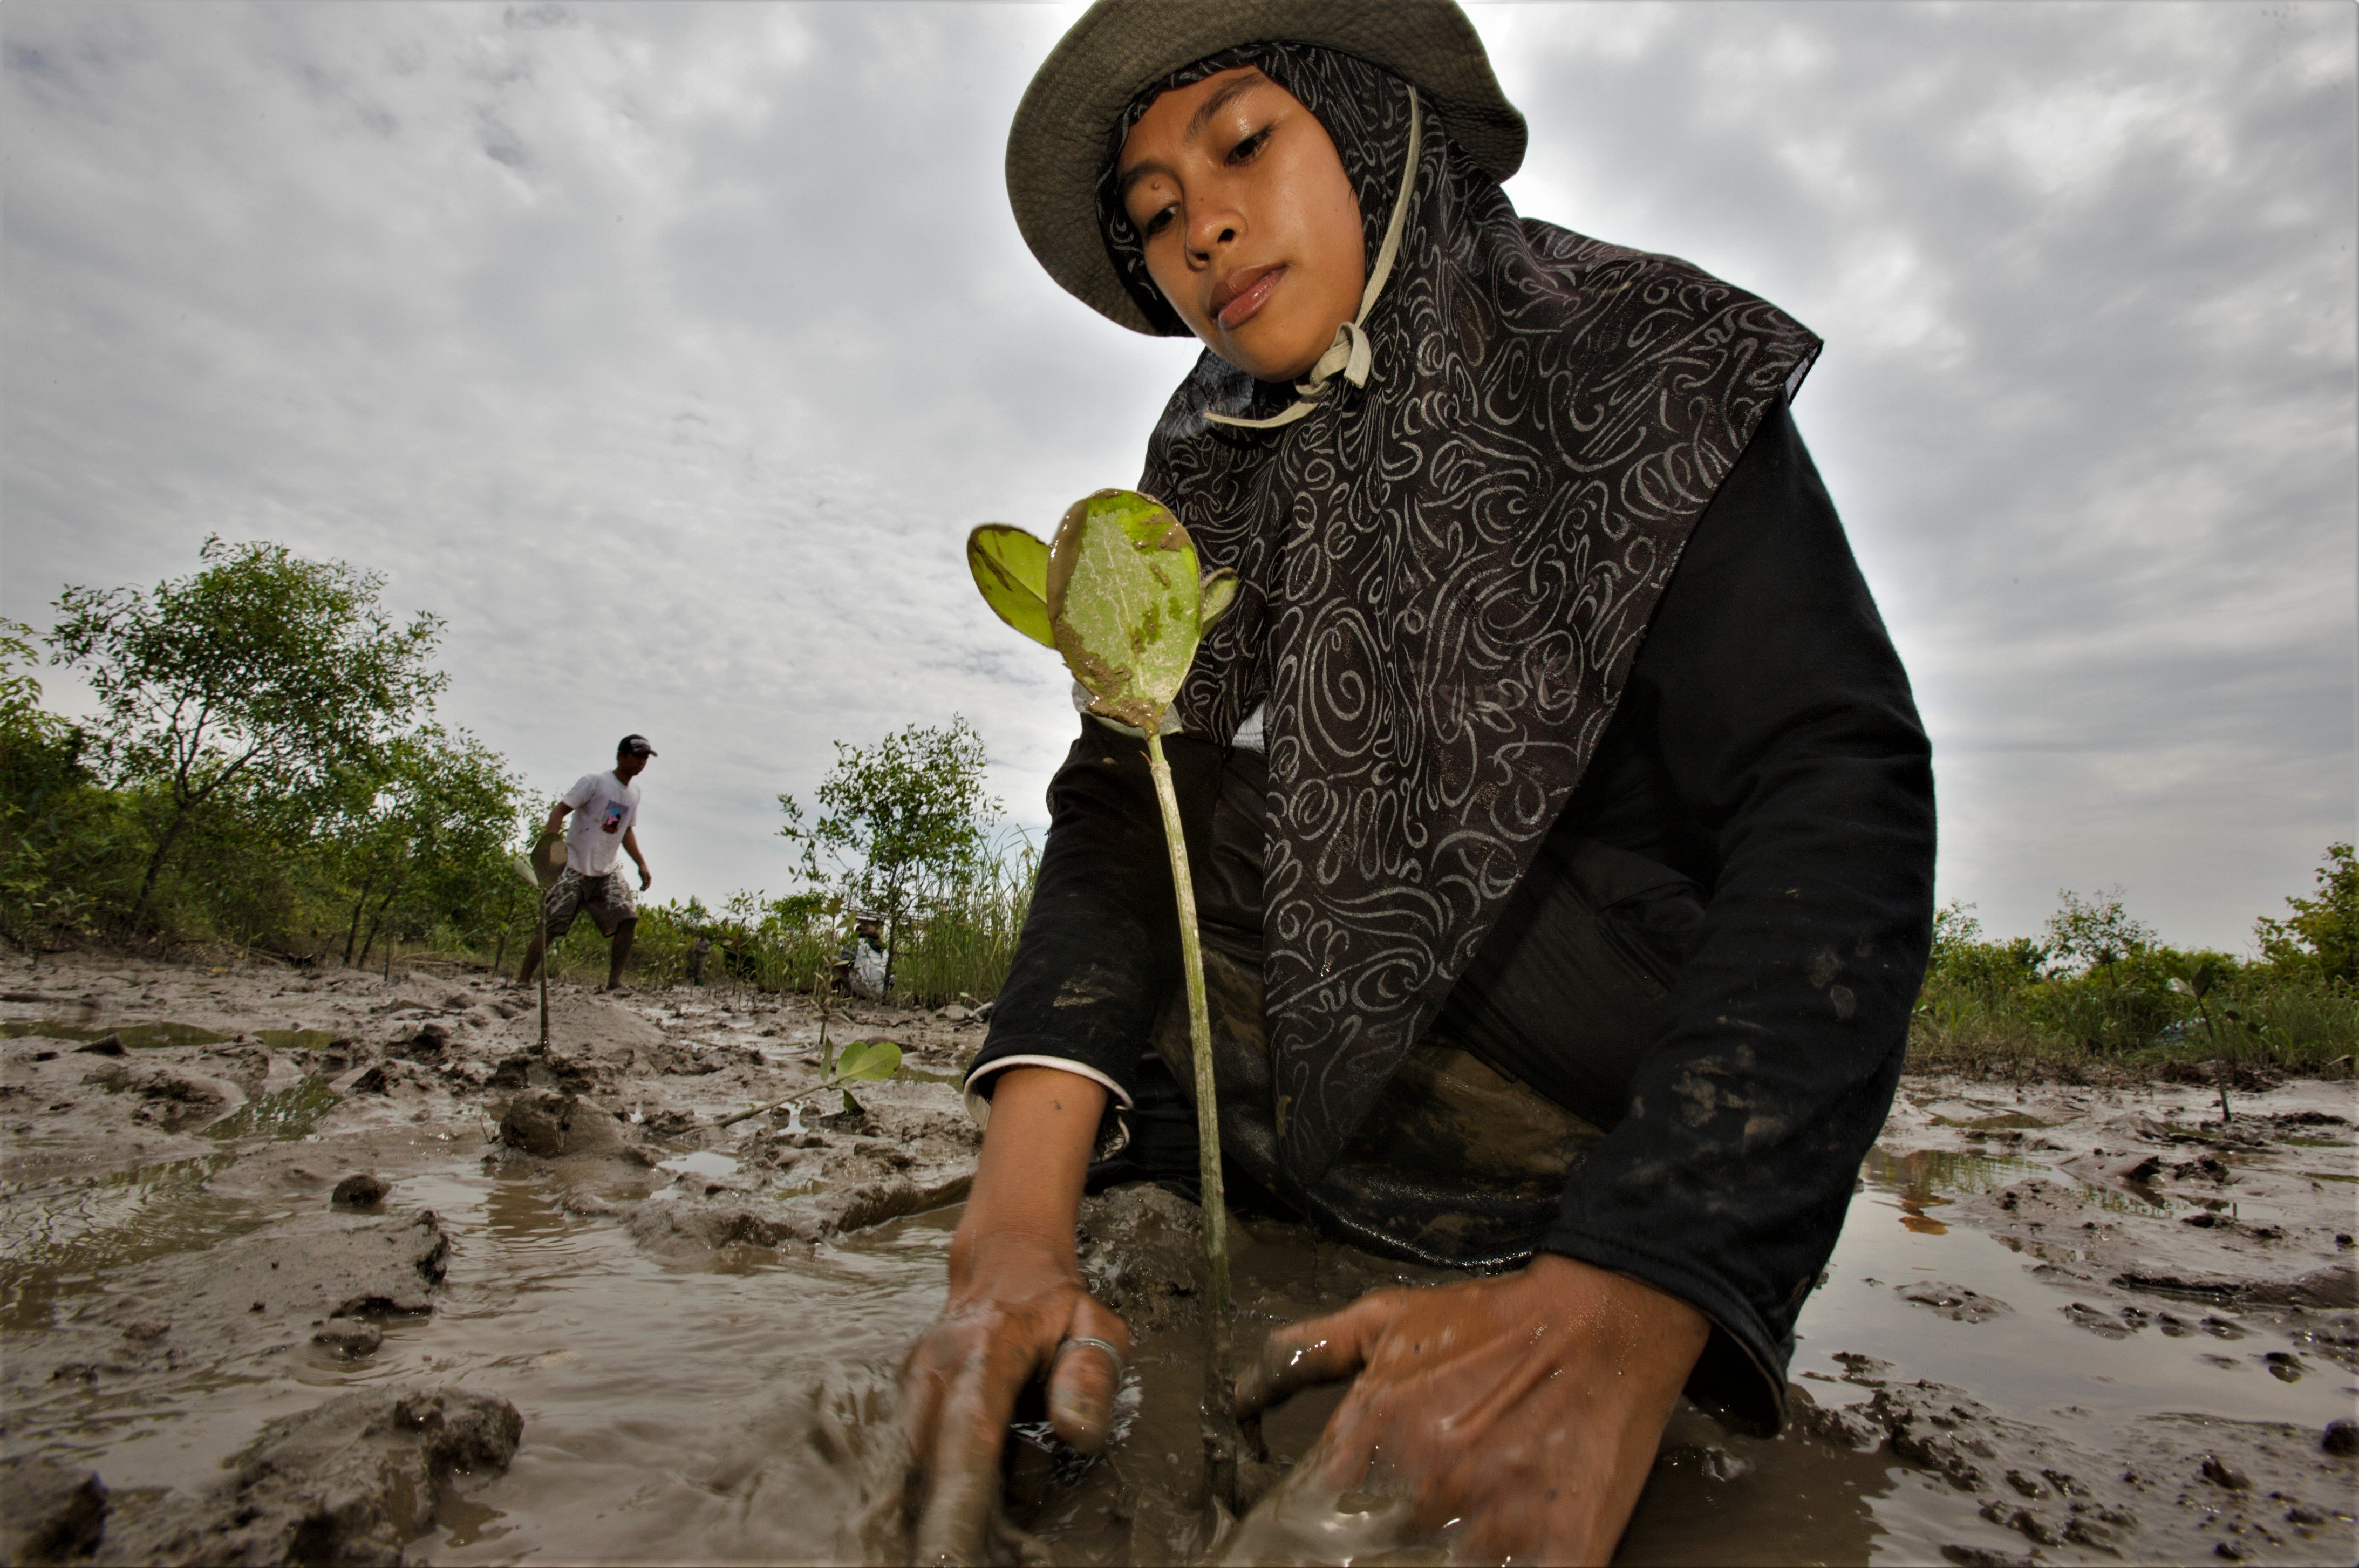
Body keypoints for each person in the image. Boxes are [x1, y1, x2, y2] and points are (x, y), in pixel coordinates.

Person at [897, 4, 1936, 1563]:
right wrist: (1010, 1240)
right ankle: (1255, 1202)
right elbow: (1124, 814)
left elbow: (1836, 782)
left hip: (1620, 1047)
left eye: (1241, 143)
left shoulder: (1628, 344)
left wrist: (1641, 1288)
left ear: (1372, 124)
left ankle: (1571, 1255)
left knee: (1244, 803)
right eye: (1156, 215)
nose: (1204, 230)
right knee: (1160, 825)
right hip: (1361, 1024)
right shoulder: (1211, 455)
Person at [517, 734, 657, 994]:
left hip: (606, 871)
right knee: (551, 925)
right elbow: (560, 810)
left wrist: (641, 864)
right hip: (573, 867)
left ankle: (615, 983)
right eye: (637, 756)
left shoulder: (634, 794)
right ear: (621, 756)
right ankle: (523, 981)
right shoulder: (595, 783)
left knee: (628, 918)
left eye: (646, 758)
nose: (641, 762)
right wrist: (549, 844)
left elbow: (623, 830)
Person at [832, 909, 889, 1001]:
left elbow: (845, 960)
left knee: (833, 961)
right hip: (881, 991)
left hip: (862, 988)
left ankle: (836, 993)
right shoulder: (884, 949)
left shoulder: (857, 942)